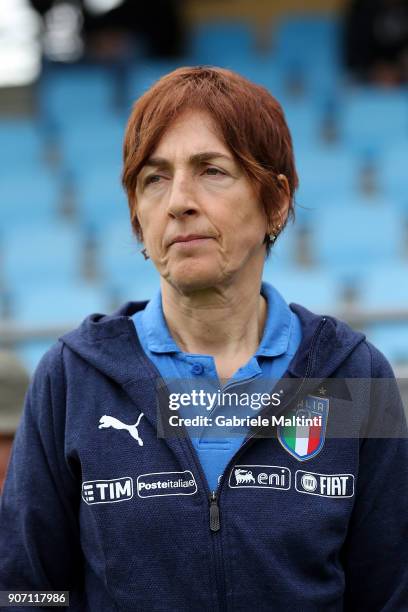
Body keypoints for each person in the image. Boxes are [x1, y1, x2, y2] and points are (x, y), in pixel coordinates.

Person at [0, 66, 407, 611]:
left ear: (276, 202)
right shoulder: (71, 378)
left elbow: (390, 593)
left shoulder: (353, 375)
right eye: (155, 178)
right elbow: (28, 590)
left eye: (211, 170)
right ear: (137, 219)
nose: (179, 202)